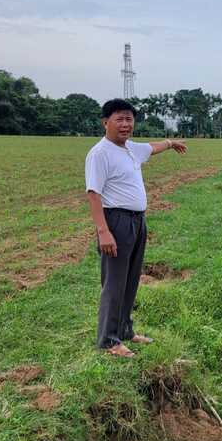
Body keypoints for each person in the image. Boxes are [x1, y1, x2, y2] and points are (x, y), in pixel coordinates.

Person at [85, 99, 187, 357]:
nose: (125, 124)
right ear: (105, 122)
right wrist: (103, 231)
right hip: (115, 222)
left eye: (129, 119)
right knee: (114, 282)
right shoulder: (100, 153)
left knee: (130, 280)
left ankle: (124, 330)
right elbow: (93, 194)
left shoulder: (130, 148)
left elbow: (152, 147)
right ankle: (108, 341)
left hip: (137, 221)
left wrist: (170, 143)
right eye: (119, 119)